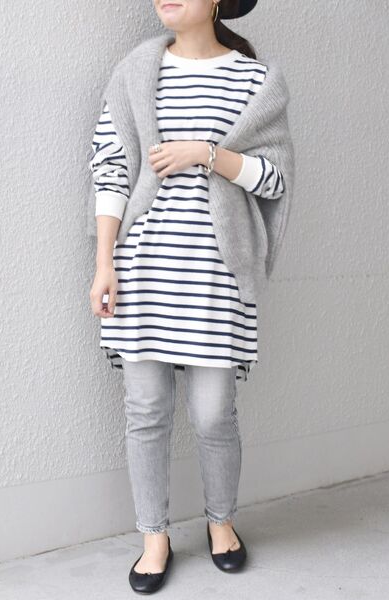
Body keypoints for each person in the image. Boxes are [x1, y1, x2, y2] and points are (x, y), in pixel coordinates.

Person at [88, 0, 293, 593]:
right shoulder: (134, 71)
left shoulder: (257, 80)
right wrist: (104, 263)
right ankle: (154, 537)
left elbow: (276, 179)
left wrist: (207, 155)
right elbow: (110, 169)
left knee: (213, 414)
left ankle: (220, 523)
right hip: (142, 273)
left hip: (216, 276)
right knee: (146, 411)